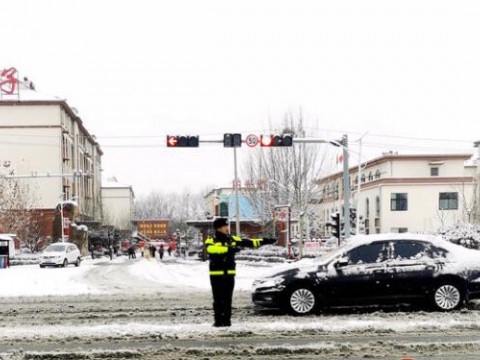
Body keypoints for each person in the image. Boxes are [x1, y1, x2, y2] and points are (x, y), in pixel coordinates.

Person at [205, 218, 266, 327]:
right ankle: (218, 322)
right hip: (216, 275)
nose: (227, 228)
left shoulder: (232, 239)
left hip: (229, 274)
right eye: (225, 226)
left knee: (228, 299)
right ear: (219, 227)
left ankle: (227, 322)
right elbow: (211, 250)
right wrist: (228, 249)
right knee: (218, 299)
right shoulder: (211, 240)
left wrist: (265, 241)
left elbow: (248, 242)